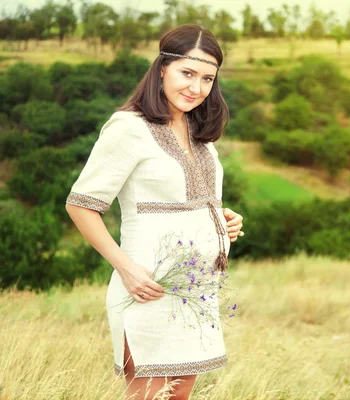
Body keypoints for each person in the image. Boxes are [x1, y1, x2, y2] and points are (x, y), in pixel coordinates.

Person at [65, 25, 244, 400]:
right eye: (188, 73)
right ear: (163, 68)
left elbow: (184, 199)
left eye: (207, 78)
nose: (196, 88)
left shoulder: (198, 132)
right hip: (148, 288)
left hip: (196, 292)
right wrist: (126, 269)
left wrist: (222, 219)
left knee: (177, 397)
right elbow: (80, 205)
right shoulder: (128, 128)